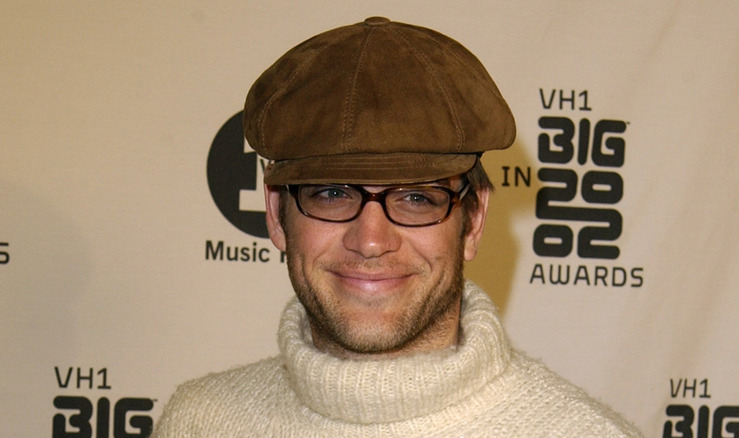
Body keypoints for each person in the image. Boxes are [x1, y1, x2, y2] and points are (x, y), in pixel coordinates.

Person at [153, 17, 643, 437]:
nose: (370, 241)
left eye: (415, 199)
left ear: (473, 220)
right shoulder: (199, 423)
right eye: (332, 193)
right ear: (276, 213)